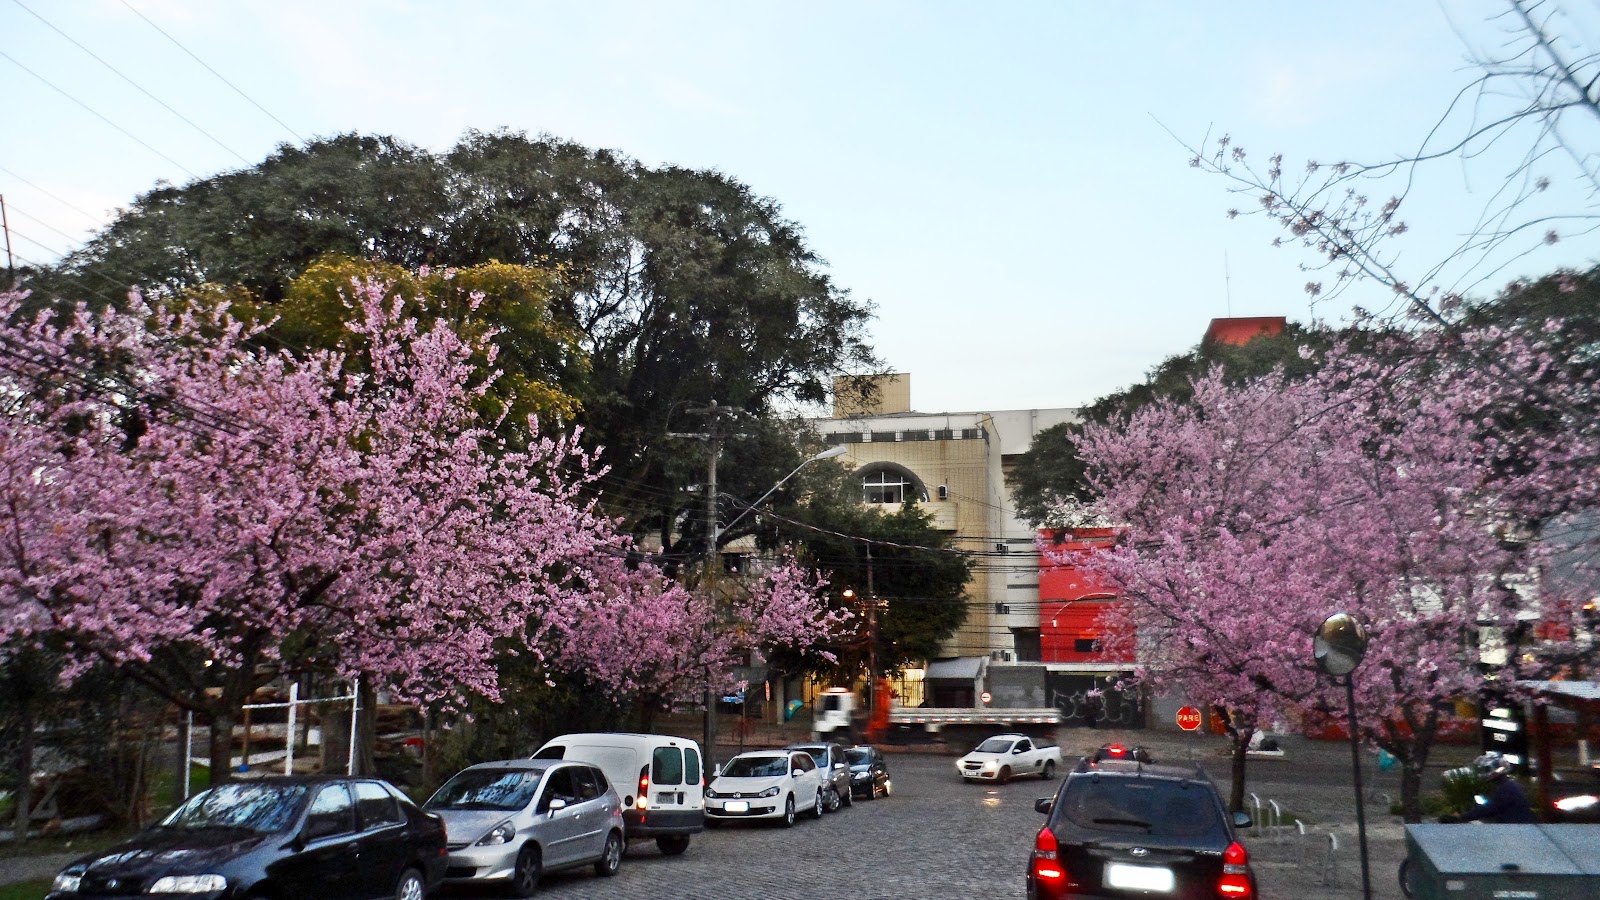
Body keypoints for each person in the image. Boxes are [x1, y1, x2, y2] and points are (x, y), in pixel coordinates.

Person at [1458, 751, 1536, 824]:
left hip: (1516, 829)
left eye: (1485, 770)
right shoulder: (1507, 786)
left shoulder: (1506, 789)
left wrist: (1461, 818)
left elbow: (1488, 809)